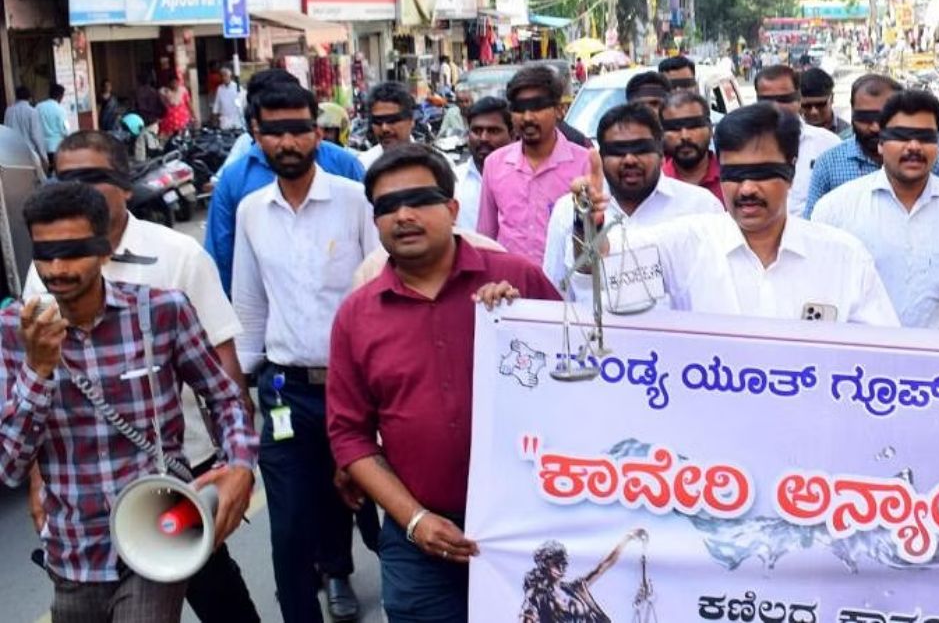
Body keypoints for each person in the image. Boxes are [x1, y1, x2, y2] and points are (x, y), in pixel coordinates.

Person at [23, 131, 261, 623]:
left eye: (91, 179)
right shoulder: (46, 270)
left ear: (125, 184)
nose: (79, 191)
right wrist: (37, 480)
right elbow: (30, 391)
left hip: (181, 474)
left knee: (218, 598)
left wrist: (238, 463)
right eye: (66, 180)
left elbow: (224, 377)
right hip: (83, 504)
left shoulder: (177, 259)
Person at [325, 144, 561, 622]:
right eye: (387, 207)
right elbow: (348, 435)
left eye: (418, 200)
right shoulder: (357, 314)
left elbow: (583, 381)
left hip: (530, 529)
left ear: (453, 209)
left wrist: (525, 326)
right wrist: (413, 520)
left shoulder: (517, 283)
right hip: (421, 541)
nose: (403, 215)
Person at [231, 84, 378, 623]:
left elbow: (376, 290)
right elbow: (248, 305)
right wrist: (239, 399)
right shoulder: (252, 211)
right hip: (283, 390)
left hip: (355, 386)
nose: (288, 140)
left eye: (298, 128)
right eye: (275, 131)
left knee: (349, 494)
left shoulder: (355, 199)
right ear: (257, 137)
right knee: (289, 522)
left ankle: (340, 568)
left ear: (319, 131)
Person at [573, 102, 899, 325]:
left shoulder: (844, 257)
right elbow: (603, 268)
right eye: (734, 175)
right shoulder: (686, 243)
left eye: (761, 174)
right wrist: (589, 225)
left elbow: (882, 354)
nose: (746, 190)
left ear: (790, 169)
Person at [812, 89, 939, 331]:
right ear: (881, 144)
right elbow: (819, 295)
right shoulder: (834, 210)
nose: (914, 147)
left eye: (925, 137)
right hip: (861, 363)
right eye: (902, 136)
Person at [206, 70, 365, 295]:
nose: (288, 142)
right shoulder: (236, 183)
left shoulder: (345, 167)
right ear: (256, 126)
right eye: (275, 127)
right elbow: (223, 260)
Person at [544, 103, 723, 289]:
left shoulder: (702, 207)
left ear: (661, 152)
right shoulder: (570, 211)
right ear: (601, 156)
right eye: (618, 150)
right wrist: (585, 226)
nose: (629, 159)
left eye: (641, 148)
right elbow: (556, 291)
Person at [477, 64, 591, 263]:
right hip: (511, 289)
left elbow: (596, 239)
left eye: (537, 107)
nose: (528, 117)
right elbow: (485, 238)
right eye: (520, 109)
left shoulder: (585, 163)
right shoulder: (494, 164)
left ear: (559, 110)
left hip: (565, 288)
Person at [805, 74, 939, 216]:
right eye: (865, 118)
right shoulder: (828, 164)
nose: (875, 127)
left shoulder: (929, 161)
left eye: (882, 118)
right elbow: (812, 228)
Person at [752, 65, 841, 217]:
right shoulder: (744, 147)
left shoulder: (829, 145)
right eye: (766, 100)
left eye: (784, 99)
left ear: (798, 99)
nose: (775, 107)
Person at [519, 531, 648, 622]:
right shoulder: (537, 597)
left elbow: (603, 566)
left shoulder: (574, 589)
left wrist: (627, 538)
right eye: (556, 563)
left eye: (563, 562)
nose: (561, 567)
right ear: (545, 565)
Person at [457, 97, 513, 231]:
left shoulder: (524, 180)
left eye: (493, 131)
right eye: (476, 131)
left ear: (512, 135)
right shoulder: (454, 181)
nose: (483, 138)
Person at [660, 90, 723, 202]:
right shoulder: (656, 184)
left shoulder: (732, 178)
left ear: (710, 129)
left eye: (693, 126)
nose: (685, 136)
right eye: (674, 128)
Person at [358, 81, 417, 170]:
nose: (384, 128)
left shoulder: (432, 165)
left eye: (392, 120)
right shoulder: (363, 166)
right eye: (378, 121)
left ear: (411, 120)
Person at [798, 67, 851, 138]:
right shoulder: (792, 133)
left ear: (831, 98)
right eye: (807, 106)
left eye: (820, 104)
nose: (814, 112)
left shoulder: (848, 134)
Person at [5, 86, 47, 168]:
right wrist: (43, 156)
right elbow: (36, 135)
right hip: (29, 153)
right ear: (29, 97)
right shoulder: (32, 111)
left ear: (16, 96)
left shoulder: (8, 111)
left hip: (13, 153)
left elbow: (6, 132)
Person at [37, 84, 70, 171]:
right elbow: (65, 130)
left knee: (46, 172)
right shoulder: (60, 110)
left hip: (42, 147)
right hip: (56, 147)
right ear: (60, 96)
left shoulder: (38, 107)